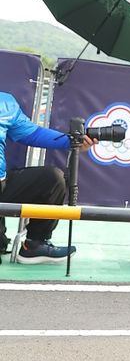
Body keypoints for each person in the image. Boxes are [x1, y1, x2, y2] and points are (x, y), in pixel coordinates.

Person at [0, 90, 92, 263]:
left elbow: (32, 133)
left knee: (53, 179)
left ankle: (34, 245)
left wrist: (74, 141)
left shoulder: (5, 102)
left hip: (1, 184)